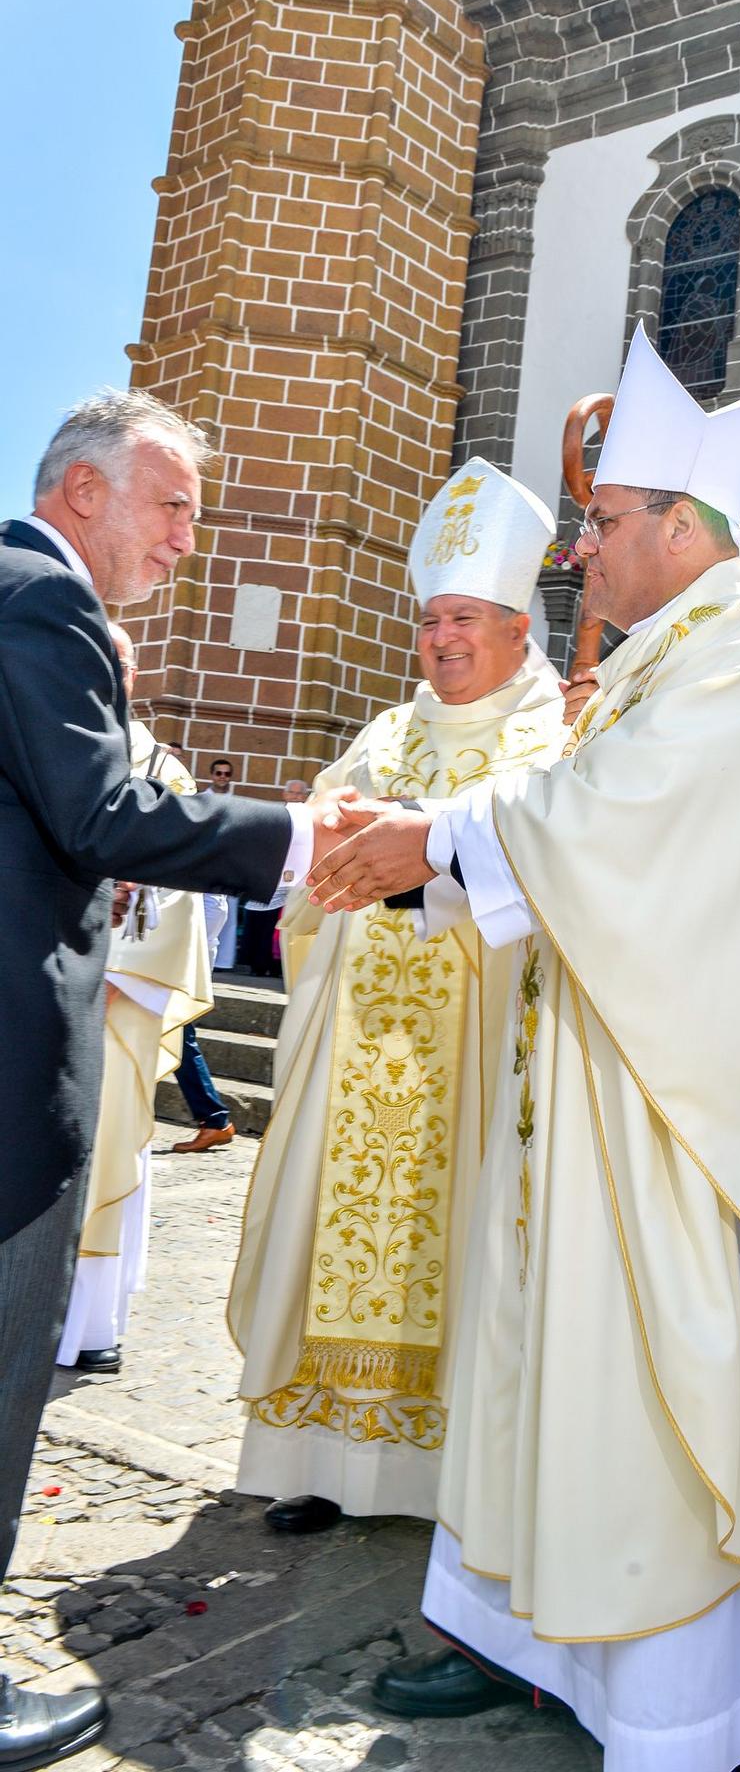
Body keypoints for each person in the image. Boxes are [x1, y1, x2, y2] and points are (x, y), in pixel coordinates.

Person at [306, 324, 740, 1771]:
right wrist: (426, 841)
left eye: (602, 524)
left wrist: (433, 842)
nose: (580, 554)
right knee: (562, 1373)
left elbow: (611, 832)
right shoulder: (681, 652)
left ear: (680, 522)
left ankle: (699, 1706)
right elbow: (579, 816)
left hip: (701, 1137)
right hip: (613, 1102)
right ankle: (540, 1647)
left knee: (668, 1401)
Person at [0, 387, 347, 1770]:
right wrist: (308, 839)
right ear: (84, 492)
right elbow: (97, 809)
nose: (189, 538)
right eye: (173, 502)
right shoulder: (43, 600)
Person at [227, 462, 567, 1535]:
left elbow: (561, 874)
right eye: (429, 619)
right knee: (341, 1233)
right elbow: (315, 865)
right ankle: (323, 1461)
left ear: (518, 627)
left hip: (478, 1054)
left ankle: (451, 1478)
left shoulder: (554, 739)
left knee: (466, 1243)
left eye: (464, 616)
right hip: (362, 1037)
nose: (441, 639)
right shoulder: (384, 731)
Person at [56, 625, 212, 1376]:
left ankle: (89, 1322)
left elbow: (179, 881)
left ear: (133, 670)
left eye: (117, 661)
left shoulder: (162, 770)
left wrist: (125, 900)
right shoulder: (44, 741)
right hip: (38, 993)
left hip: (114, 1001)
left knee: (110, 1149)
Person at [170, 893, 235, 1152]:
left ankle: (215, 1118)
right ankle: (214, 1118)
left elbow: (214, 911)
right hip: (173, 952)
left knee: (178, 1034)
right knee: (177, 1036)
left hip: (179, 958)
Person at [239, 782, 309, 976]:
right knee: (261, 922)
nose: (295, 797)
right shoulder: (277, 815)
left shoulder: (310, 818)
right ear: (284, 794)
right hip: (273, 873)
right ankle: (257, 964)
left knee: (281, 926)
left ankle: (278, 965)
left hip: (297, 878)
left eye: (299, 793)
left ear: (305, 796)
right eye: (291, 793)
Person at [208, 758, 242, 969]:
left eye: (226, 774)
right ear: (212, 775)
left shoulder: (237, 803)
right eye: (219, 773)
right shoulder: (201, 799)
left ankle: (224, 961)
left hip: (229, 861)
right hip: (206, 861)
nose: (222, 777)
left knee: (228, 913)